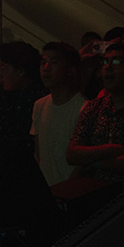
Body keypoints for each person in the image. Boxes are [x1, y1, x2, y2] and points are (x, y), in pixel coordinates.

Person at [67, 43, 124, 186]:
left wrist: (92, 162)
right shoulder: (94, 107)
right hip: (89, 192)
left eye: (116, 62)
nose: (107, 67)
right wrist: (111, 149)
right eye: (104, 61)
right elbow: (72, 154)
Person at [30, 42, 86, 185]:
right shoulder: (39, 105)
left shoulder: (84, 108)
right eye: (43, 63)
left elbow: (83, 164)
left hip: (70, 194)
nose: (46, 69)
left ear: (70, 70)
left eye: (54, 62)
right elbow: (38, 154)